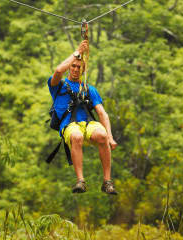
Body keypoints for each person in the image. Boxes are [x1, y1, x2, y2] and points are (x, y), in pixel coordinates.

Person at [48, 40, 118, 195]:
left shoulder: (89, 89)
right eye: (73, 65)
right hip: (69, 126)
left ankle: (107, 182)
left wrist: (110, 137)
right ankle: (80, 181)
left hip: (87, 123)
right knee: (77, 136)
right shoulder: (58, 86)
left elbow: (102, 113)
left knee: (102, 135)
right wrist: (77, 52)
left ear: (83, 70)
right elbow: (59, 70)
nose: (74, 69)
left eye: (78, 67)